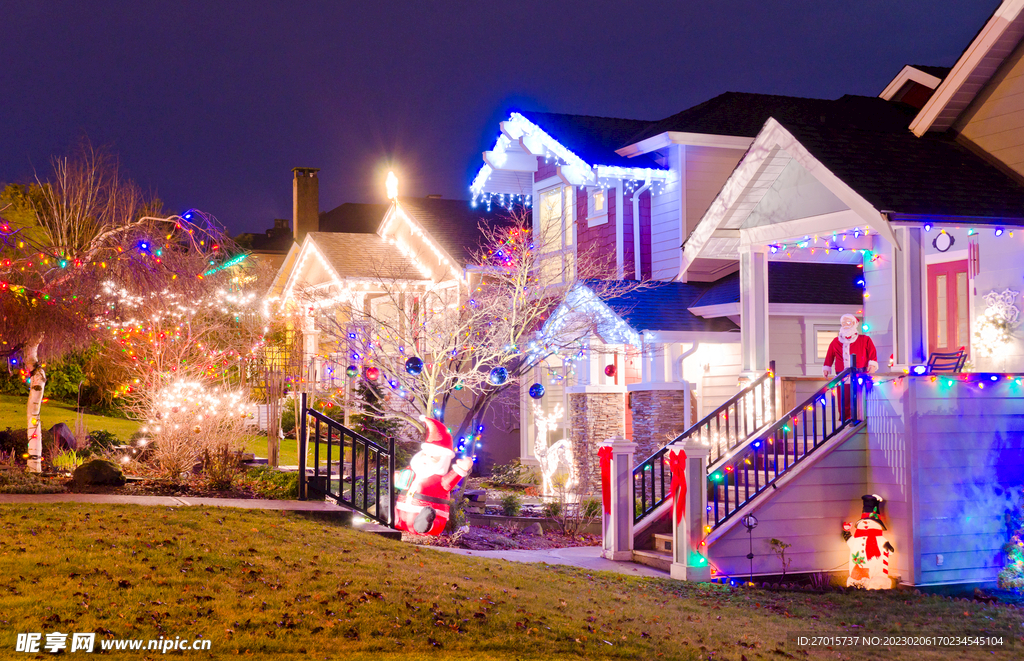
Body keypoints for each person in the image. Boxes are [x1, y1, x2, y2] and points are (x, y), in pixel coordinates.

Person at [394, 418, 472, 535]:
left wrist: (460, 469)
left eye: (432, 457)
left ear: (443, 459)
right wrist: (398, 478)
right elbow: (403, 481)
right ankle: (392, 517)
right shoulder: (413, 470)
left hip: (428, 509)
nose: (426, 458)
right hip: (403, 508)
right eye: (425, 454)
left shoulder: (440, 480)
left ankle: (425, 524)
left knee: (430, 519)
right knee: (395, 513)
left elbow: (448, 483)